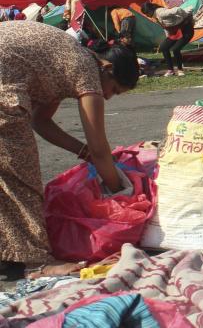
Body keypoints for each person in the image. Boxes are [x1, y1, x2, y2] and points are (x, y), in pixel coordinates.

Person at [0, 21, 139, 278]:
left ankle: (7, 254)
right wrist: (119, 189)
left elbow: (40, 121)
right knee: (22, 177)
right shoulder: (86, 69)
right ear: (106, 69)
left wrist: (81, 151)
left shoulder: (65, 60)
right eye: (114, 91)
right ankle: (37, 262)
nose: (107, 97)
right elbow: (100, 148)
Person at [140, 2, 194, 77]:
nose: (147, 15)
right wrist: (168, 39)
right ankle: (170, 70)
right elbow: (165, 27)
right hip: (175, 32)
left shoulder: (161, 13)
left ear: (150, 10)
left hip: (185, 30)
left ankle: (180, 70)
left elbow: (177, 9)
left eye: (146, 13)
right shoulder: (156, 16)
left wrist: (185, 17)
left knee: (176, 49)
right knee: (164, 47)